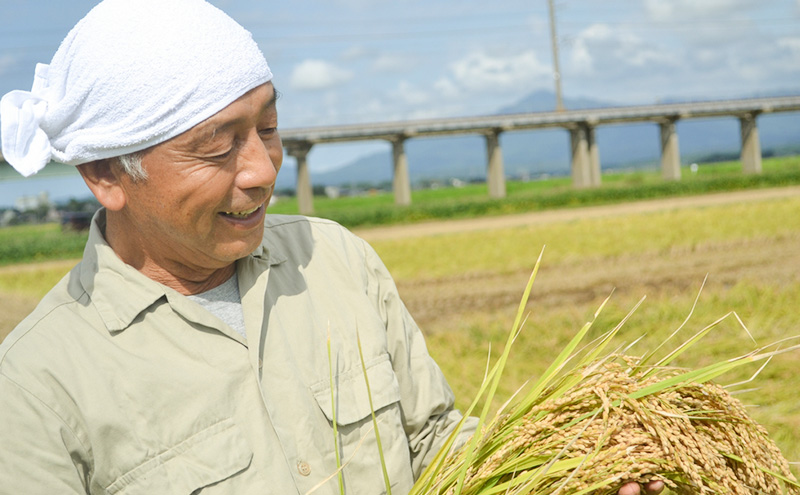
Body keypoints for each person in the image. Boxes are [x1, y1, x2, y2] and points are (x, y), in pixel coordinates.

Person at [0, 1, 664, 494]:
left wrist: (565, 475)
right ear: (107, 175)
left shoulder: (335, 260)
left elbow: (433, 445)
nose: (262, 168)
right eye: (217, 145)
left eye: (268, 126)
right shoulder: (33, 387)